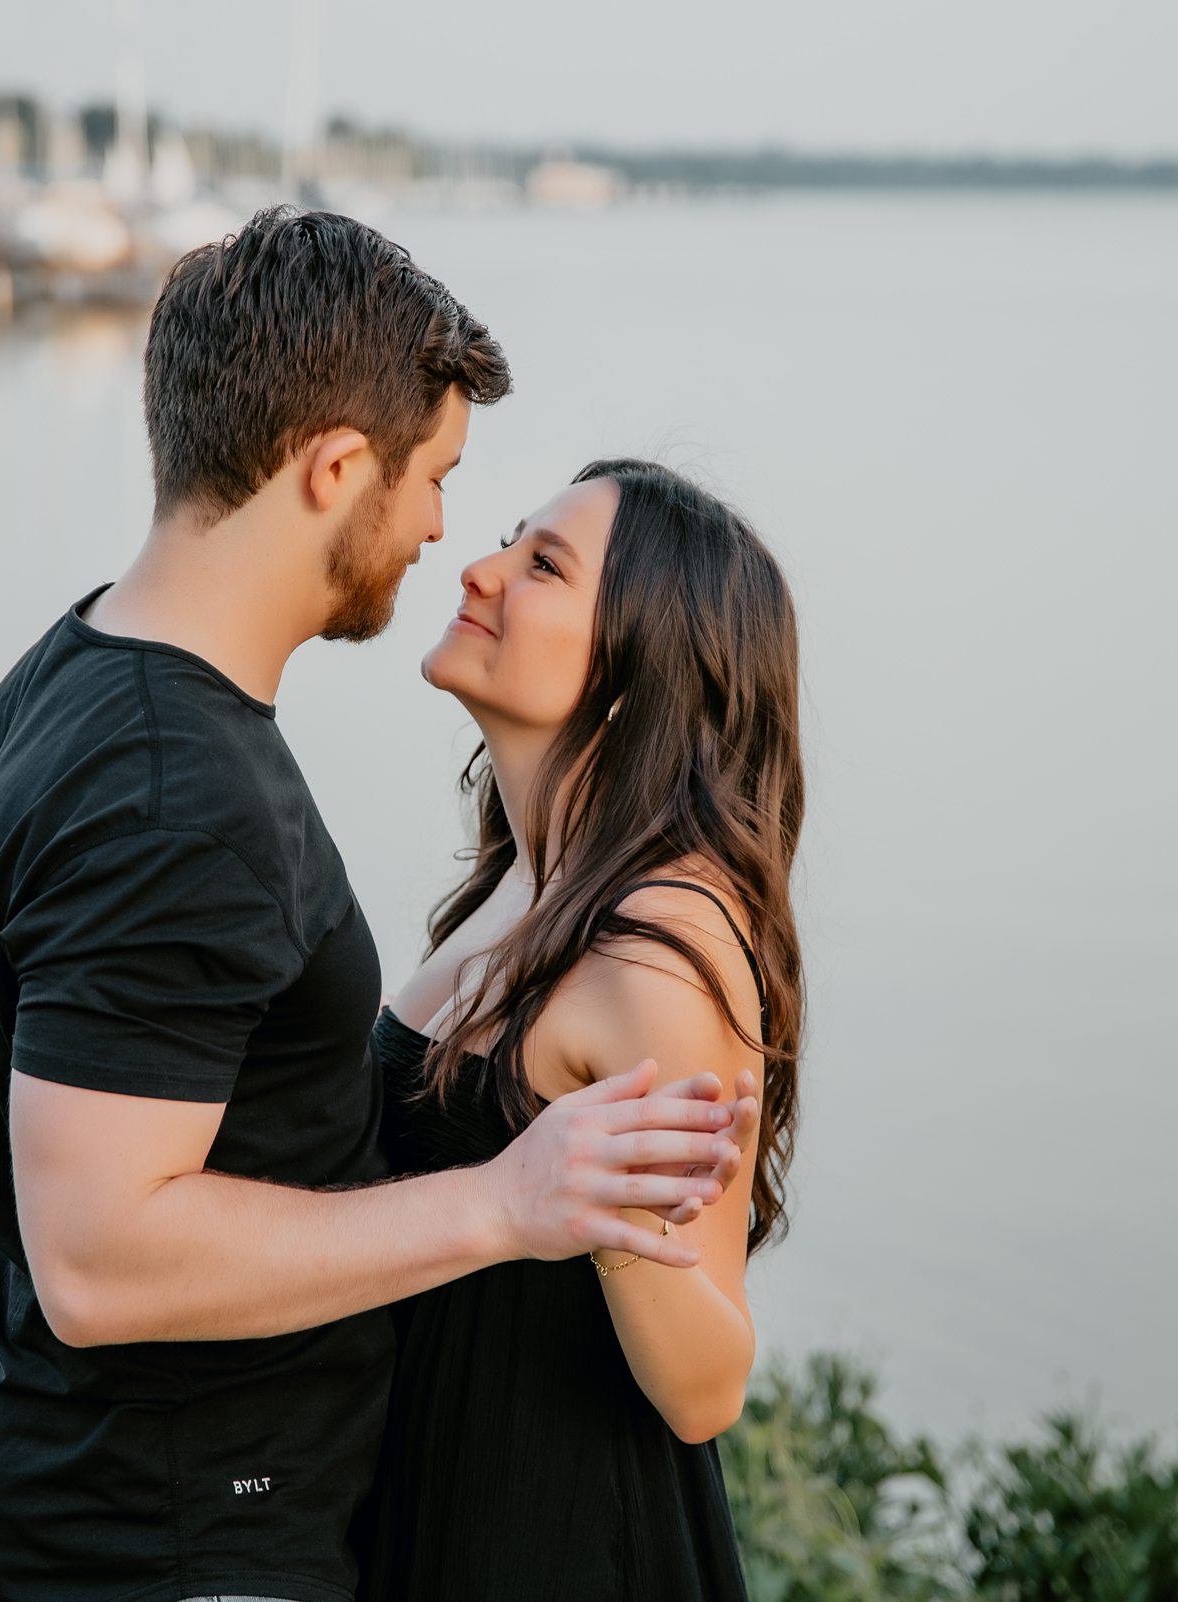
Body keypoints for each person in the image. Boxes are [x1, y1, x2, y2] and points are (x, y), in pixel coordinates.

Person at [0, 209, 762, 1602]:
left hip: (415, 1524)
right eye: (443, 482)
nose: (454, 541)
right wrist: (508, 1199)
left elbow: (699, 1374)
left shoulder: (71, 679)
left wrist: (566, 1209)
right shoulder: (175, 788)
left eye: (535, 557)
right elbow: (99, 1254)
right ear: (334, 468)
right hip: (186, 1533)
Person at [359, 459, 804, 1601]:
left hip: (556, 1541)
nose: (479, 568)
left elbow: (709, 1385)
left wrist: (604, 1222)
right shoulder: (522, 886)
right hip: (440, 1506)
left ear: (635, 673)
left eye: (542, 564)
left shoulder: (654, 948)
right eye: (513, 540)